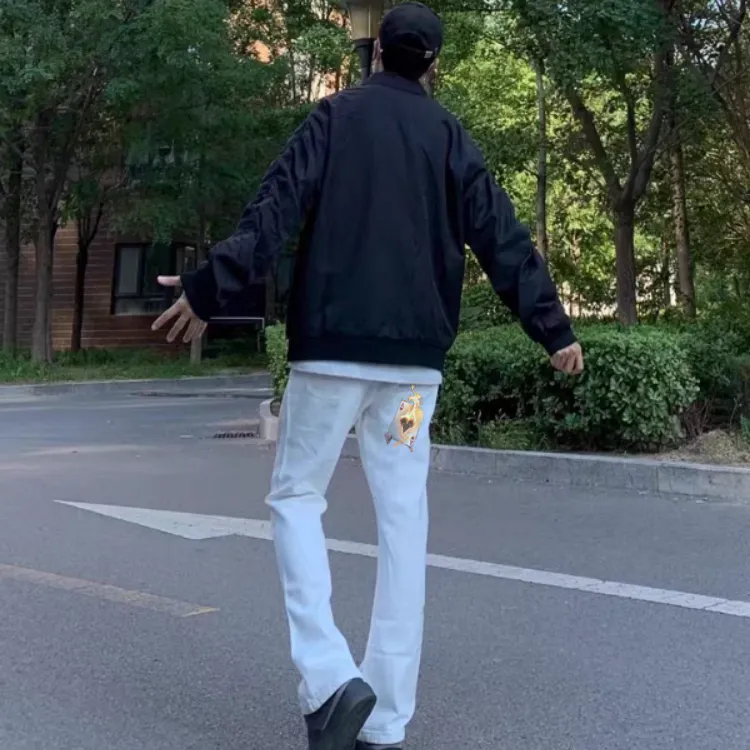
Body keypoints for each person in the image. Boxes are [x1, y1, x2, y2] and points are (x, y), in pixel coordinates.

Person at [153, 3, 583, 748]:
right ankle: (386, 720)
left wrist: (207, 287)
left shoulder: (334, 118)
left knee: (297, 496)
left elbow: (273, 212)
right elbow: (503, 238)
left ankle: (328, 678)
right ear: (433, 65)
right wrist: (554, 329)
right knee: (404, 518)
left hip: (329, 360)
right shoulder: (450, 137)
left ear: (377, 51)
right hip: (412, 379)